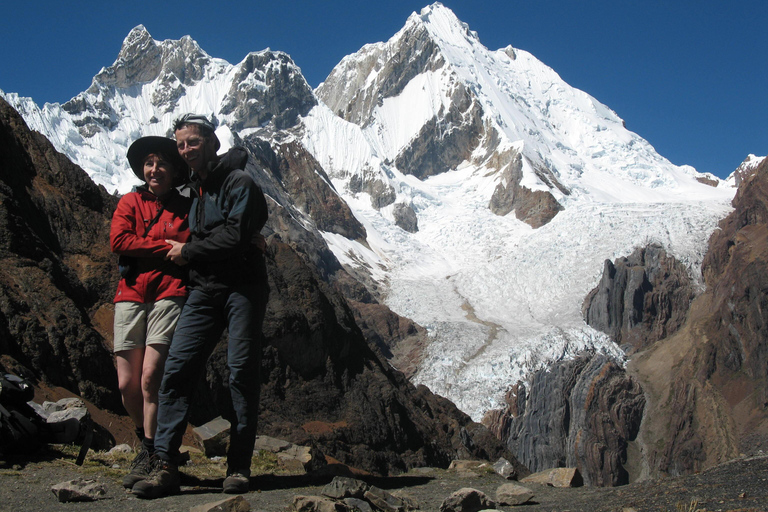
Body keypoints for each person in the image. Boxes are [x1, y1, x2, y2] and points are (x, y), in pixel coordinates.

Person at [132, 114, 270, 499]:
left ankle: (239, 466)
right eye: (181, 145)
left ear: (213, 142)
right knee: (177, 369)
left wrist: (189, 251)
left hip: (243, 287)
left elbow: (235, 235)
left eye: (193, 142)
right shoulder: (195, 191)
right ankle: (164, 464)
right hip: (204, 289)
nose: (186, 150)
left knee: (241, 371)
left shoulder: (238, 182)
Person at [110, 136, 191, 489]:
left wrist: (155, 248)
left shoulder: (186, 208)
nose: (154, 169)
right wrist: (164, 248)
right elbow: (119, 241)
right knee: (127, 383)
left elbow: (190, 247)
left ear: (174, 171)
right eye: (149, 163)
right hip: (130, 294)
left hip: (170, 294)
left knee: (150, 378)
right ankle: (147, 444)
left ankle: (157, 454)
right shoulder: (129, 201)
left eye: (161, 163)